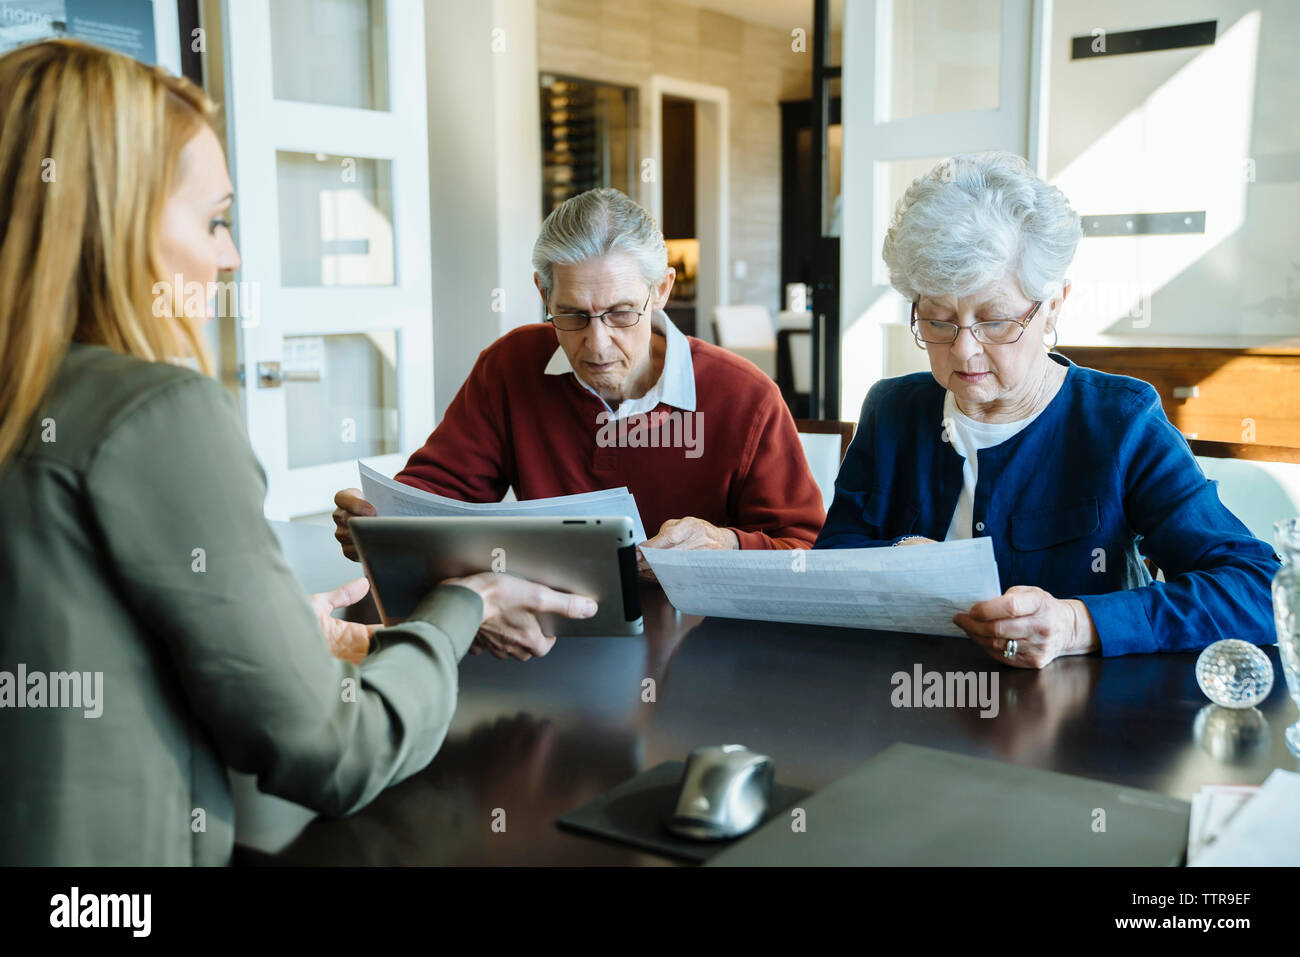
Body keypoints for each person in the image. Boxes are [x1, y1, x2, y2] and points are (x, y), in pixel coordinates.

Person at [0, 39, 592, 866]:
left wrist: (276, 632)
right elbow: (337, 749)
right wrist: (464, 601)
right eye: (214, 221)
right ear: (110, 223)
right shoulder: (154, 414)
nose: (230, 256)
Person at [816, 151, 1280, 669]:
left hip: (1082, 723)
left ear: (1053, 304)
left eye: (994, 321)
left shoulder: (1119, 420)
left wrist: (1077, 624)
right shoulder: (892, 409)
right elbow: (832, 556)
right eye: (939, 321)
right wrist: (898, 556)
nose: (965, 350)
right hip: (910, 698)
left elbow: (1256, 587)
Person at [332, 188, 826, 599]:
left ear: (663, 290)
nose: (596, 343)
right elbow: (440, 491)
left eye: (620, 313)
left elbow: (807, 551)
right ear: (543, 295)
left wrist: (730, 546)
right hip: (550, 634)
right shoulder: (510, 366)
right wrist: (383, 524)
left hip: (703, 644)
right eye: (571, 315)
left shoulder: (745, 396)